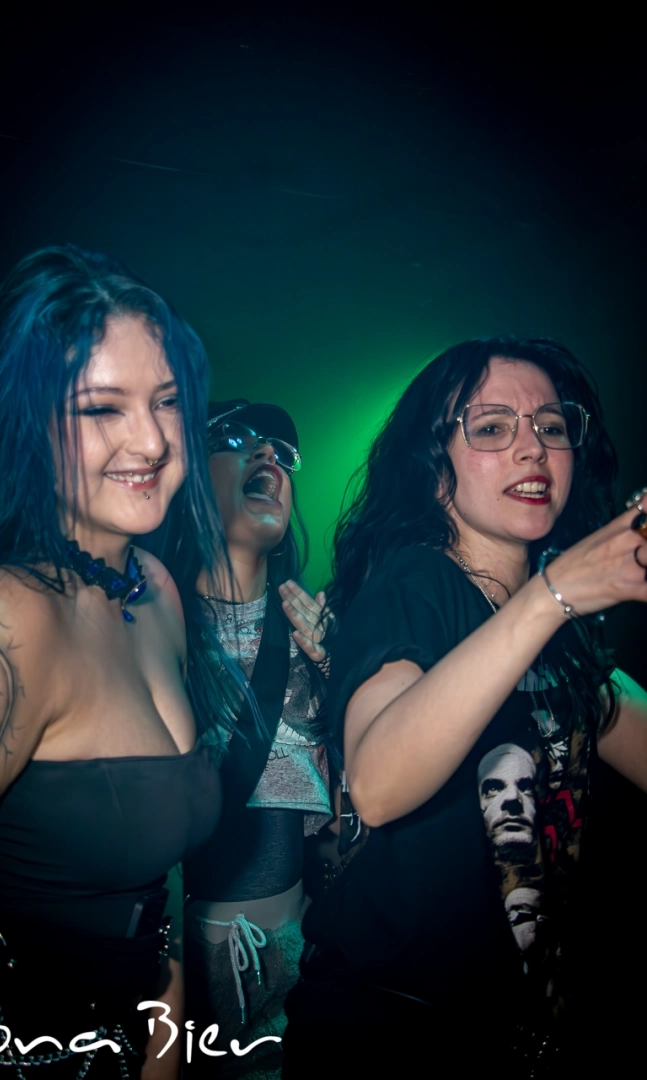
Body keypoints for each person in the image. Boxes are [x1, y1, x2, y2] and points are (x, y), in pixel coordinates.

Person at [281, 337, 647, 1074]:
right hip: (393, 1037)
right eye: (491, 427)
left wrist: (553, 605)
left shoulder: (559, 632)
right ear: (433, 464)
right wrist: (552, 595)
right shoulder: (415, 583)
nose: (532, 448)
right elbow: (378, 783)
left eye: (551, 426)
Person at [0, 245, 230, 1079]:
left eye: (167, 401)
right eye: (101, 408)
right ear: (25, 424)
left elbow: (157, 882)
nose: (152, 440)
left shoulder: (154, 588)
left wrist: (162, 1050)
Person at [178, 400, 335, 1079]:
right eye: (237, 437)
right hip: (171, 966)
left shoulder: (322, 633)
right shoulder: (140, 626)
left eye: (281, 448)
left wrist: (343, 673)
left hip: (294, 961)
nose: (268, 453)